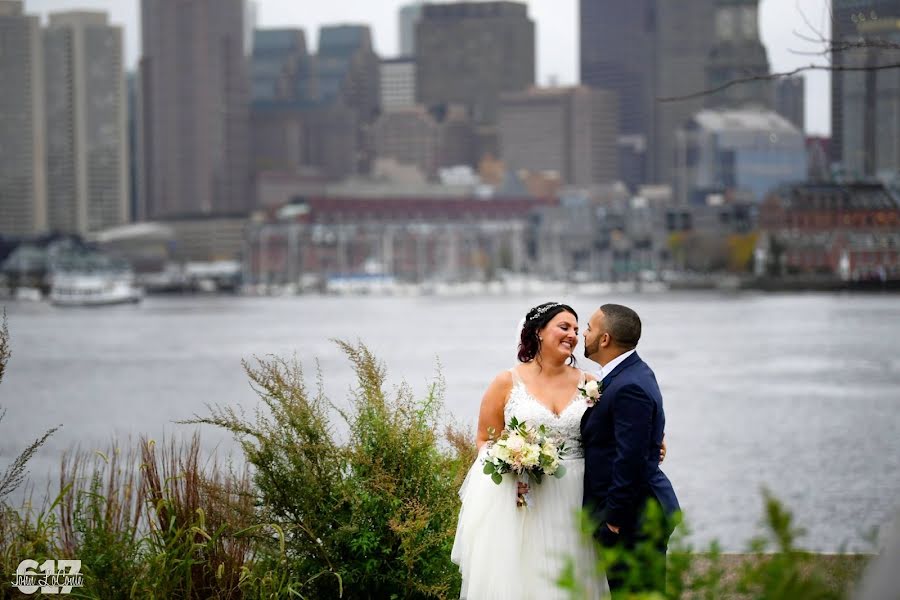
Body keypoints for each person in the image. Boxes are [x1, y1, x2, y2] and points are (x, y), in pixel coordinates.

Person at [452, 302, 614, 599]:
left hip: (577, 492)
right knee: (527, 574)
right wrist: (513, 460)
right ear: (539, 332)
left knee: (573, 573)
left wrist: (657, 438)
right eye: (564, 327)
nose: (573, 335)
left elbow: (617, 428)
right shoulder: (506, 382)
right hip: (524, 495)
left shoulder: (590, 383)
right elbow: (483, 440)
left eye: (577, 330)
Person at [581, 303, 680, 597]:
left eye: (588, 328)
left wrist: (614, 518)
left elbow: (630, 460)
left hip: (635, 518)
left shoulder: (628, 386)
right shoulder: (629, 373)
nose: (583, 335)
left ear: (605, 339)